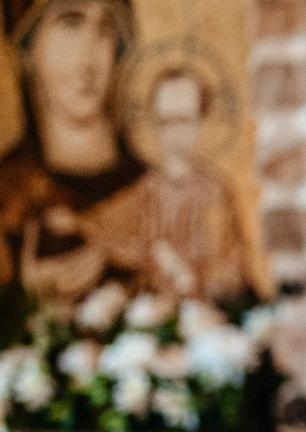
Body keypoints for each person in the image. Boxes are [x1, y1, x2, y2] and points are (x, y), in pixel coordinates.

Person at [0, 0, 147, 323]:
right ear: (27, 48)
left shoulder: (159, 190)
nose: (89, 56)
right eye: (70, 22)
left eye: (106, 28)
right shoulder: (0, 209)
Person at [89, 64, 257, 303]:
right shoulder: (145, 191)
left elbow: (231, 262)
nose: (175, 132)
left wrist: (199, 281)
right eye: (166, 121)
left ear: (201, 119)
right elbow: (109, 232)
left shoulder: (215, 190)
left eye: (184, 120)